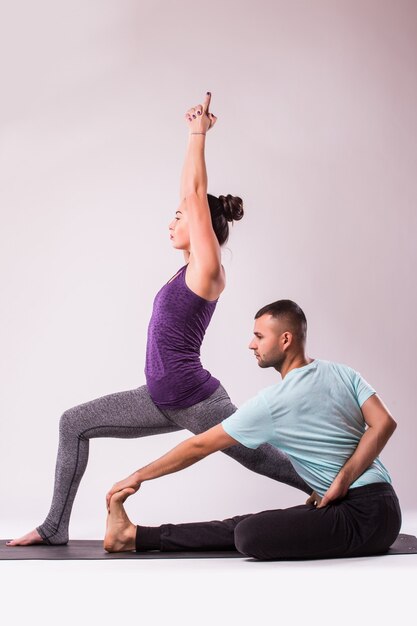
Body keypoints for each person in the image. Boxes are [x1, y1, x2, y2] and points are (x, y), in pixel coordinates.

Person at [7, 94, 310, 547]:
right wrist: (192, 161)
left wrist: (197, 134)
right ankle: (54, 527)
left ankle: (333, 486)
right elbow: (188, 195)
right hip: (158, 397)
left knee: (257, 458)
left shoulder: (208, 270)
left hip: (194, 397)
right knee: (74, 423)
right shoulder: (186, 269)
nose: (171, 221)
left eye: (180, 216)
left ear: (202, 223)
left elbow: (192, 194)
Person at [103, 299, 401, 560]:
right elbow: (384, 423)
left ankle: (132, 536)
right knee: (245, 525)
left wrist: (137, 476)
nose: (251, 344)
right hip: (386, 508)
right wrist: (339, 483)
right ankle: (134, 536)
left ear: (285, 339)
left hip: (360, 516)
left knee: (248, 533)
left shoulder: (273, 404)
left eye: (259, 336)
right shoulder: (341, 372)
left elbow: (199, 446)